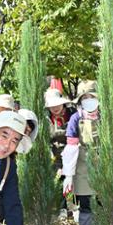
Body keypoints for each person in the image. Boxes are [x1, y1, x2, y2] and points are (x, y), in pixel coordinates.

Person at [61, 81, 103, 225]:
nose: (89, 100)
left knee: (104, 204)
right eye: (85, 98)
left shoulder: (105, 116)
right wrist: (68, 175)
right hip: (82, 167)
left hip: (104, 165)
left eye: (91, 97)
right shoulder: (76, 118)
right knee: (86, 206)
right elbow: (71, 148)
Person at [44, 88, 76, 217]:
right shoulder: (46, 118)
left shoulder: (73, 114)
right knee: (59, 180)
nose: (55, 108)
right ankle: (62, 207)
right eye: (51, 106)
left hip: (73, 152)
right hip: (56, 155)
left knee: (75, 180)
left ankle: (74, 206)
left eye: (57, 104)